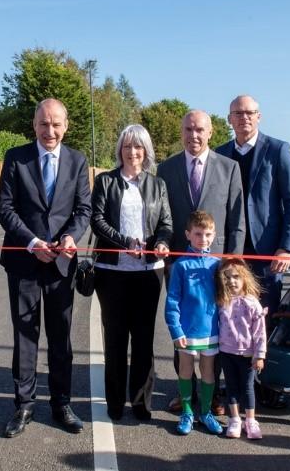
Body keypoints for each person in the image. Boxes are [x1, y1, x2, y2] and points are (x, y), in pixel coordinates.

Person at [0, 98, 92, 438]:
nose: (49, 131)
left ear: (65, 126)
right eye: (43, 124)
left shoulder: (78, 161)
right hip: (24, 261)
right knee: (25, 336)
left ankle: (61, 403)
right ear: (34, 125)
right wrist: (33, 243)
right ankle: (23, 405)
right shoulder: (15, 157)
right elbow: (6, 209)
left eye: (56, 124)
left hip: (61, 265)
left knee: (60, 337)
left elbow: (83, 209)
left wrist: (69, 237)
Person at [157, 109, 245, 415]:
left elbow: (237, 219)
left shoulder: (229, 168)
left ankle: (213, 394)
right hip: (179, 264)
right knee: (180, 321)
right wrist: (165, 245)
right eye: (188, 129)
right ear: (181, 132)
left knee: (215, 327)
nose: (194, 135)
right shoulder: (166, 169)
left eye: (200, 130)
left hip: (216, 267)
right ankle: (185, 393)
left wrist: (233, 262)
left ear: (210, 133)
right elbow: (162, 218)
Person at [91, 124, 172, 422]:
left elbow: (166, 223)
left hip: (148, 273)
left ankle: (140, 402)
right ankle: (114, 402)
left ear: (146, 151)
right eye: (127, 146)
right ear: (120, 150)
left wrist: (161, 242)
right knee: (114, 340)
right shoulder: (105, 181)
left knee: (143, 339)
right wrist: (125, 243)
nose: (133, 152)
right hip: (111, 272)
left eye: (138, 147)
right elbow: (97, 220)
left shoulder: (157, 185)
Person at [216, 95, 290, 318]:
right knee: (228, 319)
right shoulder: (219, 154)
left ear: (259, 117)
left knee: (264, 320)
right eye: (238, 113)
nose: (244, 117)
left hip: (267, 252)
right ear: (229, 119)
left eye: (249, 113)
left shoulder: (277, 150)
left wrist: (286, 247)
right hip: (230, 251)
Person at [165, 211, 223, 436]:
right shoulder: (180, 266)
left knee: (208, 372)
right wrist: (175, 329)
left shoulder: (218, 265)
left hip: (211, 330)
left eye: (208, 234)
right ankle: (187, 411)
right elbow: (172, 302)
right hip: (186, 331)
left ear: (214, 235)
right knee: (185, 369)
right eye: (198, 234)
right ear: (188, 234)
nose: (203, 239)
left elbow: (226, 300)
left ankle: (206, 412)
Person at [215, 258, 266, 439]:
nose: (231, 281)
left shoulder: (252, 303)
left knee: (247, 387)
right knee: (231, 386)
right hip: (226, 352)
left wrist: (259, 356)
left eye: (236, 277)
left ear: (244, 278)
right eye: (227, 278)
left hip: (247, 354)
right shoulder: (222, 301)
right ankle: (235, 419)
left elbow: (260, 333)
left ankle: (250, 420)